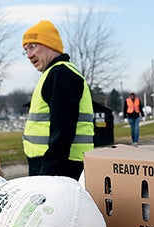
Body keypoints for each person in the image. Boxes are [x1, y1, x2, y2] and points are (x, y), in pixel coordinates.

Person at [22, 20, 93, 179]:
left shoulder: (60, 75)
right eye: (25, 50)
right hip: (57, 165)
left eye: (32, 47)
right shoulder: (55, 73)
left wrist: (47, 172)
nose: (29, 55)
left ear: (51, 44)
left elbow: (63, 130)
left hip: (59, 168)